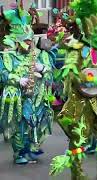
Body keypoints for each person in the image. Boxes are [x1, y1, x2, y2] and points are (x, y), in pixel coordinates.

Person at [49, 0, 97, 179]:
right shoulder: (77, 50)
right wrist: (85, 79)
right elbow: (70, 72)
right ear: (88, 31)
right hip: (80, 104)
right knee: (78, 139)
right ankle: (77, 173)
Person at [0, 1, 54, 164]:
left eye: (30, 40)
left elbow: (51, 73)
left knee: (36, 123)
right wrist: (18, 80)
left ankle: (32, 149)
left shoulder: (40, 54)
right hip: (19, 97)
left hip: (37, 97)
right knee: (20, 125)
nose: (28, 44)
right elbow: (3, 74)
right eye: (25, 41)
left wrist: (43, 68)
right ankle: (19, 153)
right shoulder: (8, 56)